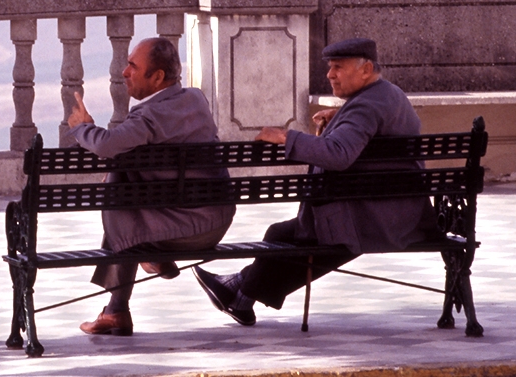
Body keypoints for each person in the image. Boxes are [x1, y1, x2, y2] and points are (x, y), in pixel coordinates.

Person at [193, 37, 437, 325]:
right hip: (398, 213)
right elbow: (370, 131)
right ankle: (238, 293)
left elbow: (339, 154)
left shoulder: (364, 108)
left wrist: (286, 137)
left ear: (366, 69)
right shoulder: (388, 94)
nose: (330, 74)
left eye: (337, 67)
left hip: (374, 219)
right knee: (289, 234)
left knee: (284, 235)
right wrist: (339, 118)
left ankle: (240, 293)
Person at [65, 37, 236, 337]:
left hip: (181, 230)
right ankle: (140, 274)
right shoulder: (196, 99)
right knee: (126, 171)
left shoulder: (149, 117)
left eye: (133, 66)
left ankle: (117, 308)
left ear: (157, 77)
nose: (124, 72)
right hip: (217, 222)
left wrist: (81, 127)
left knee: (119, 181)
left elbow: (105, 145)